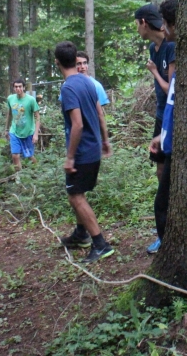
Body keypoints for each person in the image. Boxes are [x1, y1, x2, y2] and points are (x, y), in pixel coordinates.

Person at [55, 41, 115, 264]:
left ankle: (100, 244)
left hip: (82, 152)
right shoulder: (88, 82)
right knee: (78, 193)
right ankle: (81, 235)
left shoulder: (68, 88)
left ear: (57, 63)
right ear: (74, 60)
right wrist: (105, 140)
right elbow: (100, 114)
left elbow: (77, 125)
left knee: (75, 196)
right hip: (94, 147)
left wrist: (70, 157)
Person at [148, 0, 178, 255]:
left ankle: (168, 246)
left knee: (162, 203)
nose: (164, 29)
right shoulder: (156, 49)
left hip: (175, 137)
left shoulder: (174, 52)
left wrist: (155, 72)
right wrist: (161, 135)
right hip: (166, 132)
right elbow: (171, 103)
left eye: (166, 24)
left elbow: (173, 96)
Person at [5, 79, 41, 169]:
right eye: (16, 87)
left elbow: (37, 117)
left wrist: (36, 134)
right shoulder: (10, 99)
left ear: (24, 87)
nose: (18, 88)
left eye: (20, 86)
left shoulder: (31, 100)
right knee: (15, 156)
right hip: (14, 131)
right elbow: (9, 114)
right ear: (13, 88)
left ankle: (38, 170)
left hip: (28, 132)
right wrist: (6, 129)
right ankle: (19, 175)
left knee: (29, 156)